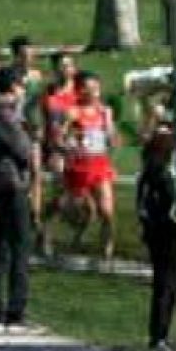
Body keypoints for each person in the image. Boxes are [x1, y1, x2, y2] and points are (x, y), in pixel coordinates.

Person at [0, 69, 39, 333]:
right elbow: (23, 149)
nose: (24, 91)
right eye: (22, 85)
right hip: (12, 183)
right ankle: (14, 312)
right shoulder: (5, 113)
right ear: (13, 87)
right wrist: (30, 137)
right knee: (19, 246)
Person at [47, 72, 118, 258]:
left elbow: (111, 137)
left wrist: (111, 136)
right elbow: (57, 139)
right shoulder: (72, 112)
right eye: (90, 88)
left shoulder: (104, 111)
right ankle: (46, 228)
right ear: (79, 90)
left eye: (97, 88)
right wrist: (68, 148)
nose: (95, 92)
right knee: (72, 207)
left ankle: (107, 249)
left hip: (99, 164)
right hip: (78, 166)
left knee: (106, 211)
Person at [137, 127, 176, 349]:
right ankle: (160, 335)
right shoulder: (163, 175)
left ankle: (158, 334)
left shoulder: (147, 172)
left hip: (154, 234)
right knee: (167, 286)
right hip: (168, 235)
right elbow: (172, 205)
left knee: (163, 285)